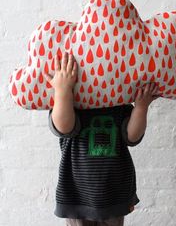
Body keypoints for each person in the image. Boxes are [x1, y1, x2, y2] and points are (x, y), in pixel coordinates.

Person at [43, 51, 160, 226]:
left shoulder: (119, 105)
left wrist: (141, 107)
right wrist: (62, 90)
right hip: (76, 194)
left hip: (114, 193)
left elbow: (132, 137)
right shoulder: (70, 104)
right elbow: (63, 126)